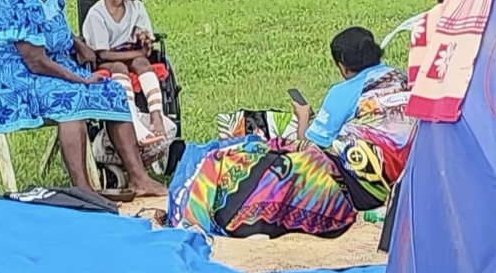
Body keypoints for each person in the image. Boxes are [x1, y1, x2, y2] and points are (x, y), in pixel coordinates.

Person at [0, 0, 167, 198]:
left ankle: (138, 178)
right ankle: (82, 189)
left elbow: (55, 27)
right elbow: (35, 61)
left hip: (47, 70)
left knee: (111, 90)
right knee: (71, 98)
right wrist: (79, 78)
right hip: (9, 80)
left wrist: (77, 43)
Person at [168, 27, 414, 237]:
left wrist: (303, 116)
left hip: (359, 185)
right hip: (401, 180)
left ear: (342, 64)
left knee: (265, 154)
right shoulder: (401, 78)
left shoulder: (345, 91)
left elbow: (309, 147)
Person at [82, 0, 165, 146]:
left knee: (143, 62)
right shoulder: (96, 15)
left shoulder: (136, 8)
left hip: (130, 52)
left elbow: (144, 36)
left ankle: (157, 115)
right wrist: (139, 52)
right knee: (120, 67)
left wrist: (144, 40)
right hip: (107, 60)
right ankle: (134, 123)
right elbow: (102, 54)